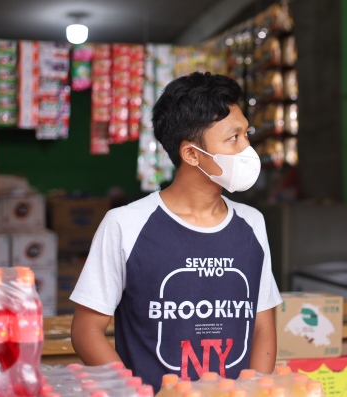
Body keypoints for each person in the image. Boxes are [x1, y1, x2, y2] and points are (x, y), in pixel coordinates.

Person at [70, 72, 282, 391]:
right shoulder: (125, 224)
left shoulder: (252, 222)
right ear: (192, 154)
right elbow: (86, 331)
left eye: (246, 135)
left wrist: (257, 390)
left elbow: (263, 324)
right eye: (233, 138)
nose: (247, 148)